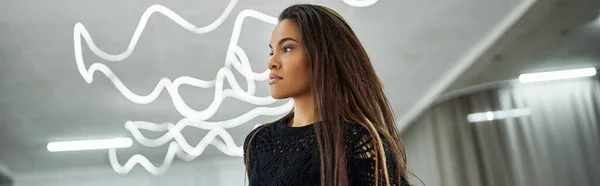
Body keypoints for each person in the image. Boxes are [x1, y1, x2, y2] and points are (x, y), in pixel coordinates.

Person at [244, 4, 410, 186]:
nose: (271, 62)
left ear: (322, 54)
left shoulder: (359, 141)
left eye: (287, 48)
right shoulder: (258, 141)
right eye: (271, 51)